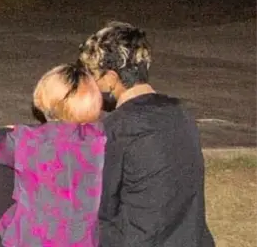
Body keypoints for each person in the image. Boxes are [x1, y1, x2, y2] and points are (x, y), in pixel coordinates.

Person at [78, 21, 215, 247]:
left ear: (111, 78)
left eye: (94, 78)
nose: (93, 87)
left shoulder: (117, 129)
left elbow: (101, 207)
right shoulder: (181, 113)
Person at [0, 63, 106, 247]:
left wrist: (2, 131)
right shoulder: (100, 139)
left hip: (33, 241)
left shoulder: (27, 139)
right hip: (83, 242)